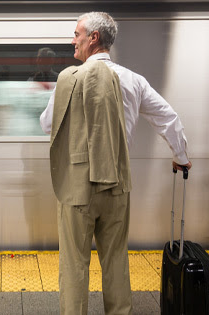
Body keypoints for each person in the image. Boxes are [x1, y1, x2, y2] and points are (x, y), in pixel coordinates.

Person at [40, 12, 192, 315]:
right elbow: (168, 119)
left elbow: (47, 124)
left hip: (77, 189)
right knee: (116, 263)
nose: (73, 41)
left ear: (93, 38)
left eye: (77, 34)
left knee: (74, 266)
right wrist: (181, 158)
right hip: (117, 185)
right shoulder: (134, 80)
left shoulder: (70, 80)